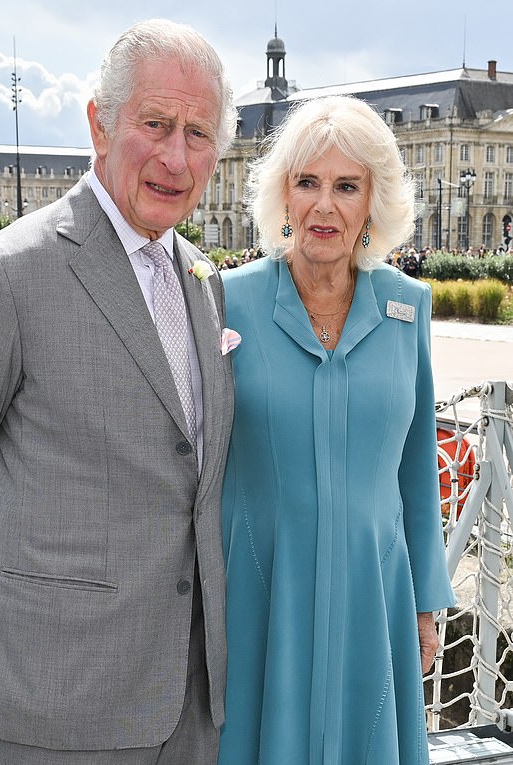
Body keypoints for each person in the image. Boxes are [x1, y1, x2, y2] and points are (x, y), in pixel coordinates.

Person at [0, 18, 237, 765]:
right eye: (155, 123)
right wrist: (41, 599)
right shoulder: (6, 276)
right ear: (99, 122)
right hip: (54, 694)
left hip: (188, 693)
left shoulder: (201, 274)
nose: (176, 156)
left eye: (198, 133)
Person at [217, 95, 455, 765]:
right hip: (263, 593)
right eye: (308, 182)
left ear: (372, 202)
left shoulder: (409, 306)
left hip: (373, 594)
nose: (325, 205)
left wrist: (427, 599)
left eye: (346, 186)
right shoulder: (228, 299)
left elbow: (416, 464)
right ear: (283, 195)